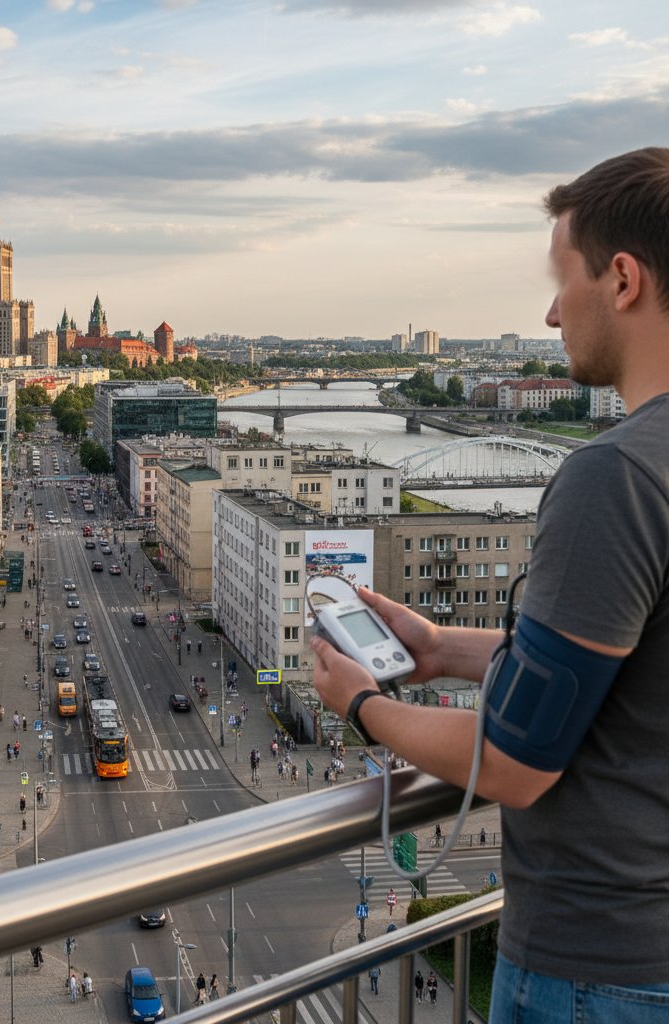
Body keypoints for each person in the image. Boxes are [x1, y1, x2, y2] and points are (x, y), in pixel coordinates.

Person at [311, 147, 669, 1024]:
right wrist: (438, 650)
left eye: (563, 279)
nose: (550, 312)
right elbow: (629, 664)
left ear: (622, 279)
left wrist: (363, 704)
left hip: (598, 967)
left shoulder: (614, 478)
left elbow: (513, 764)